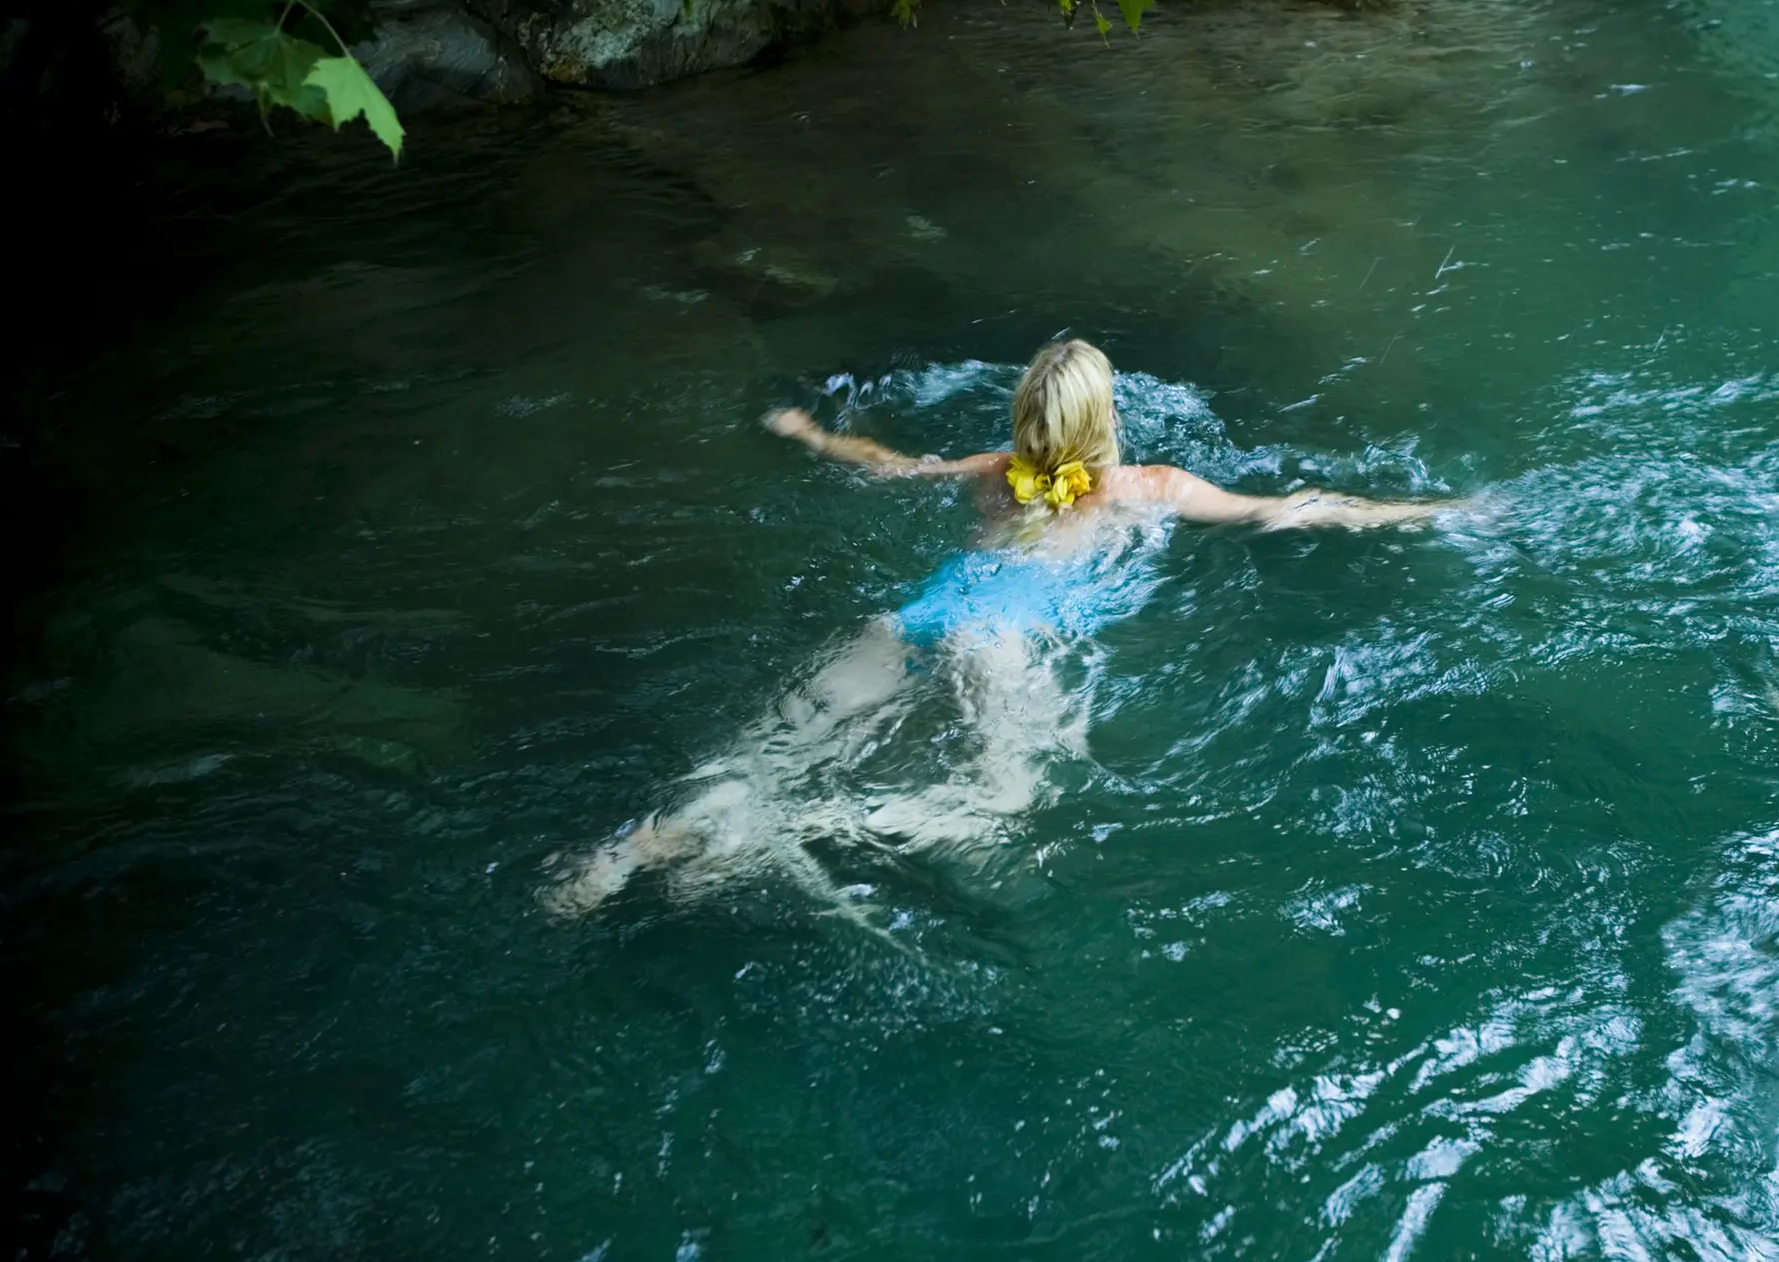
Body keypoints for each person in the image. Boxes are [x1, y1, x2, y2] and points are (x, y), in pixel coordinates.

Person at [547, 338, 1448, 914]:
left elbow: (889, 468)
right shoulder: (1149, 490)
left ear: (1024, 423)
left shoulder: (992, 470)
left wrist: (808, 436)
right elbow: (1286, 511)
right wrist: (1416, 514)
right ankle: (812, 824)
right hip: (1002, 645)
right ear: (1110, 423)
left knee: (764, 748)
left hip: (916, 618)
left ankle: (647, 841)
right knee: (1007, 805)